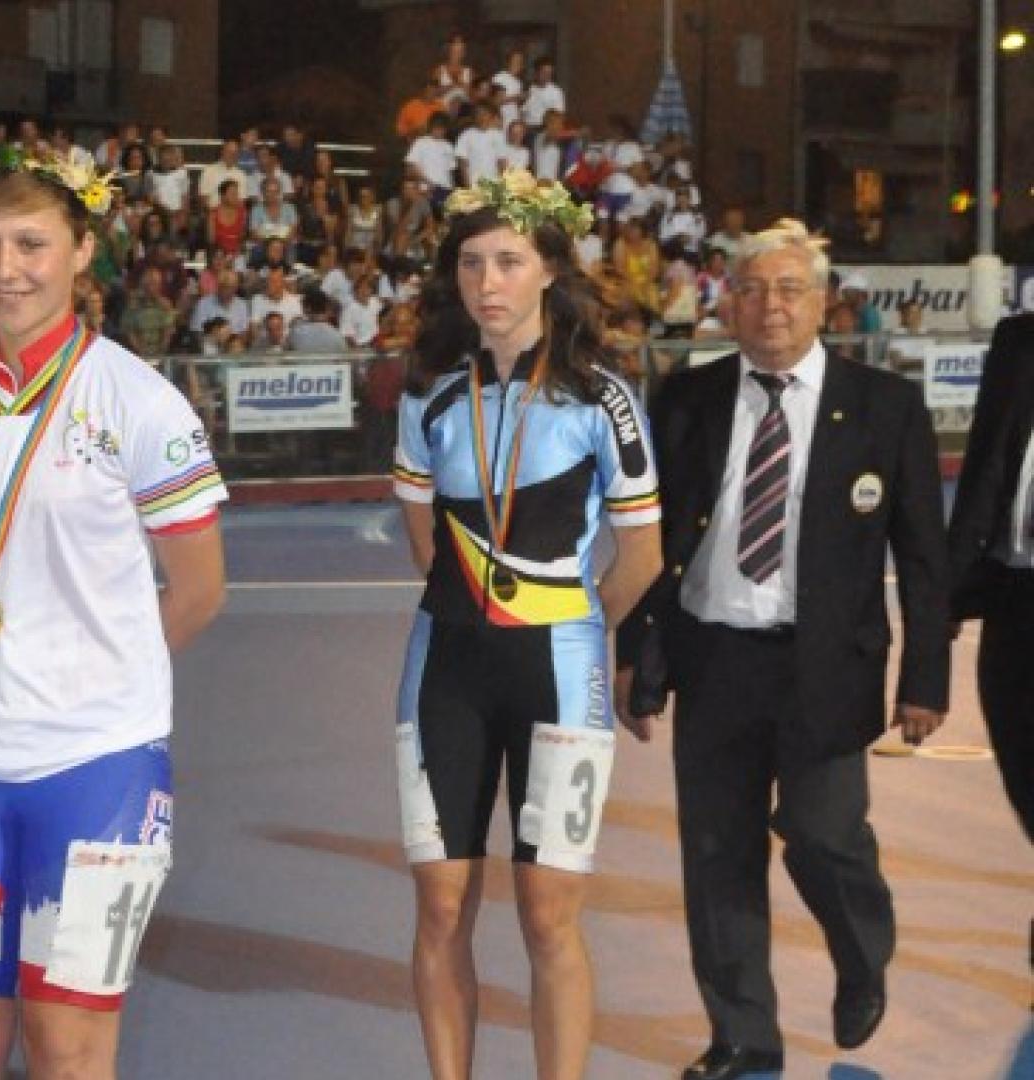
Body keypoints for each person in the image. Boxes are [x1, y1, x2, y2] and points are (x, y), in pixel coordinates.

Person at [0, 141, 228, 1079]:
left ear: (81, 250)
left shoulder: (139, 402)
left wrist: (97, 677)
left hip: (98, 768)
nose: (7, 268)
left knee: (67, 1049)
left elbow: (200, 589)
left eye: (31, 243)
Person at [616, 219, 949, 1080]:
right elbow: (650, 541)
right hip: (714, 660)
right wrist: (636, 653)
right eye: (754, 290)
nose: (772, 306)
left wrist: (925, 677)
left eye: (790, 289)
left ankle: (861, 949)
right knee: (717, 853)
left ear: (822, 301)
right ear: (729, 303)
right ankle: (742, 1034)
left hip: (826, 667)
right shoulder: (685, 400)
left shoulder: (885, 406)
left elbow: (922, 556)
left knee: (824, 833)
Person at [391, 168, 663, 1080]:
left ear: (549, 268)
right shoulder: (428, 394)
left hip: (560, 671)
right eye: (471, 263)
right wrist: (484, 605)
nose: (487, 282)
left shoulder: (602, 397)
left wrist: (574, 624)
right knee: (440, 906)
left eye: (508, 261)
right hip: (446, 667)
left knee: (549, 916)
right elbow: (423, 542)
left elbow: (643, 555)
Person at [946, 311, 1034, 846]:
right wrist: (951, 590)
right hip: (1015, 594)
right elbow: (986, 459)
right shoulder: (1019, 340)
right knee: (1022, 763)